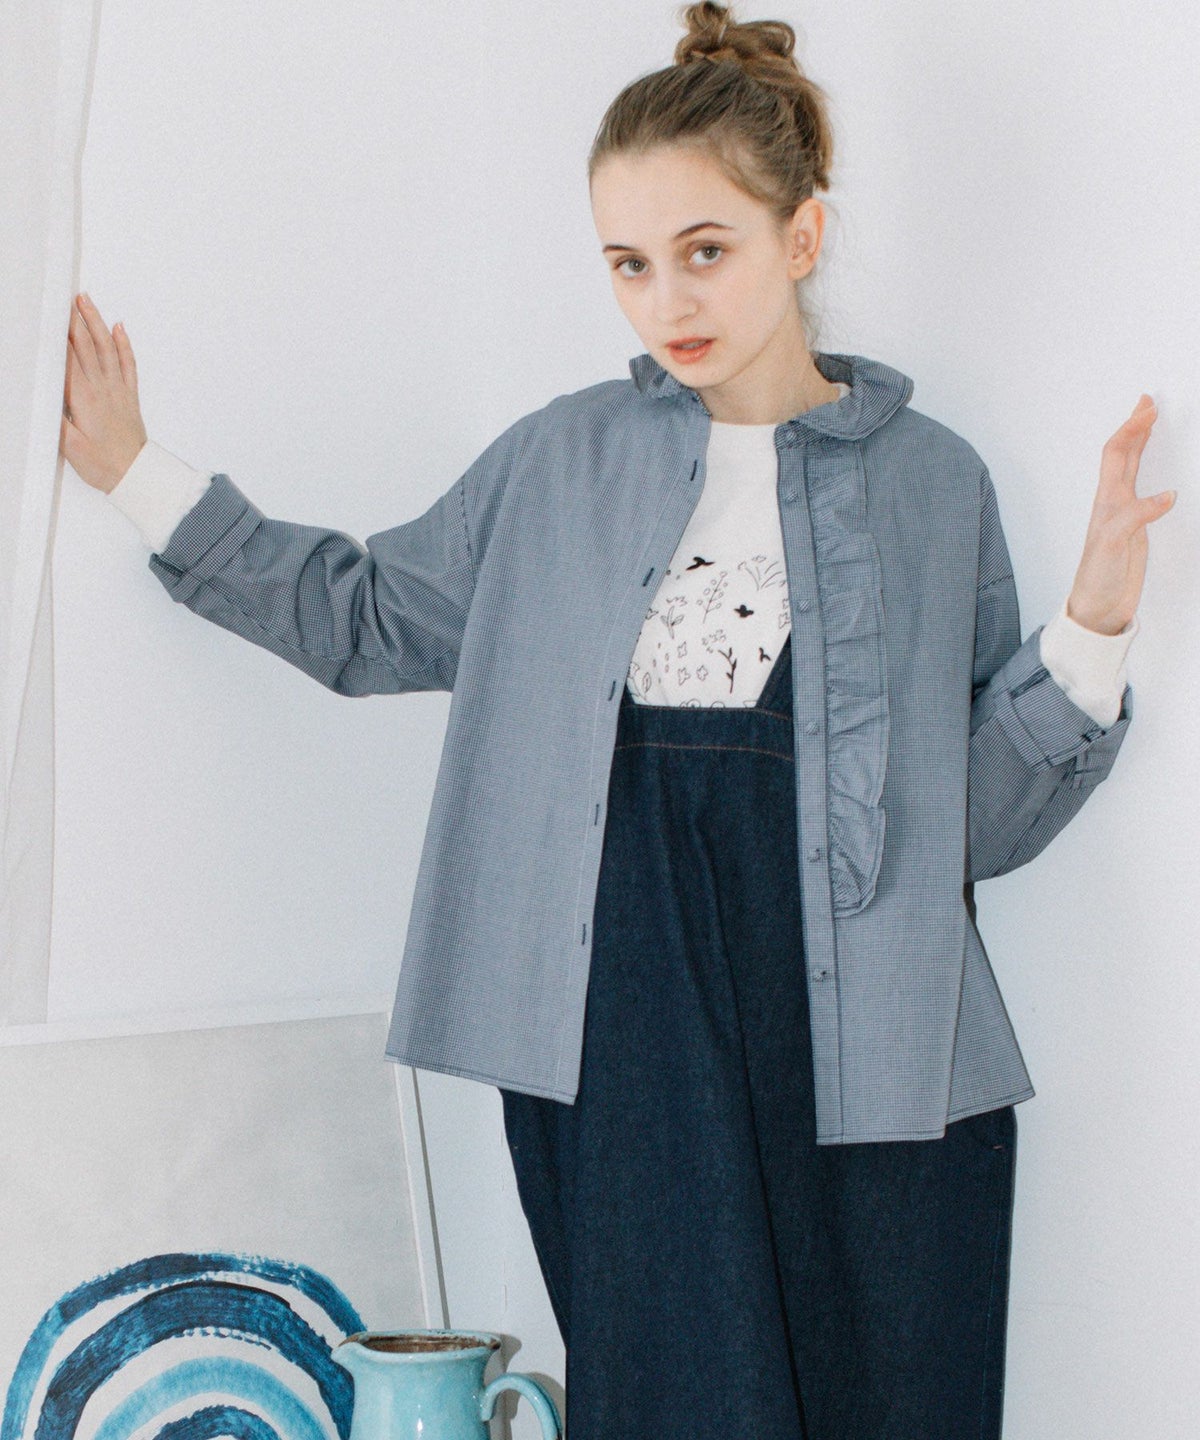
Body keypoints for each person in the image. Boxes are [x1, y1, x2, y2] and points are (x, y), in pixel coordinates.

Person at [59, 4, 1173, 1436]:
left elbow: (972, 825)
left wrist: (1091, 628)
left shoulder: (931, 482)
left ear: (801, 237)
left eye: (705, 250)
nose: (667, 301)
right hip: (625, 1049)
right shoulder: (559, 465)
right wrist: (140, 475)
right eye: (630, 264)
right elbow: (365, 617)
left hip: (884, 1076)